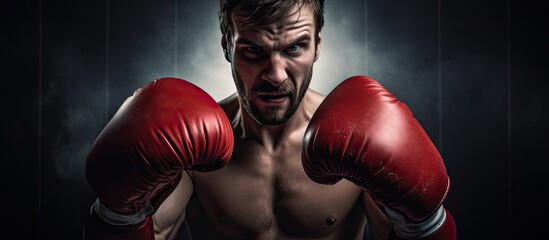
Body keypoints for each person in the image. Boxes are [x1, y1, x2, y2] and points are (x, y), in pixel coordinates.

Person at [83, 0, 457, 239]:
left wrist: (425, 223)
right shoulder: (189, 152)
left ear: (317, 47)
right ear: (227, 45)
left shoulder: (356, 138)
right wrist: (117, 216)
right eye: (253, 51)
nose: (275, 74)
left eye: (294, 47)